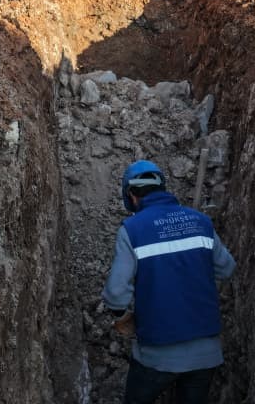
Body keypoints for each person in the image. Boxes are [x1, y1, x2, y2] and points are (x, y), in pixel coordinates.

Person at [102, 159, 236, 404]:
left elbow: (116, 292)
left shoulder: (132, 230)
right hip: (205, 353)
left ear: (131, 196)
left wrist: (121, 316)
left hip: (157, 354)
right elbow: (226, 268)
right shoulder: (201, 222)